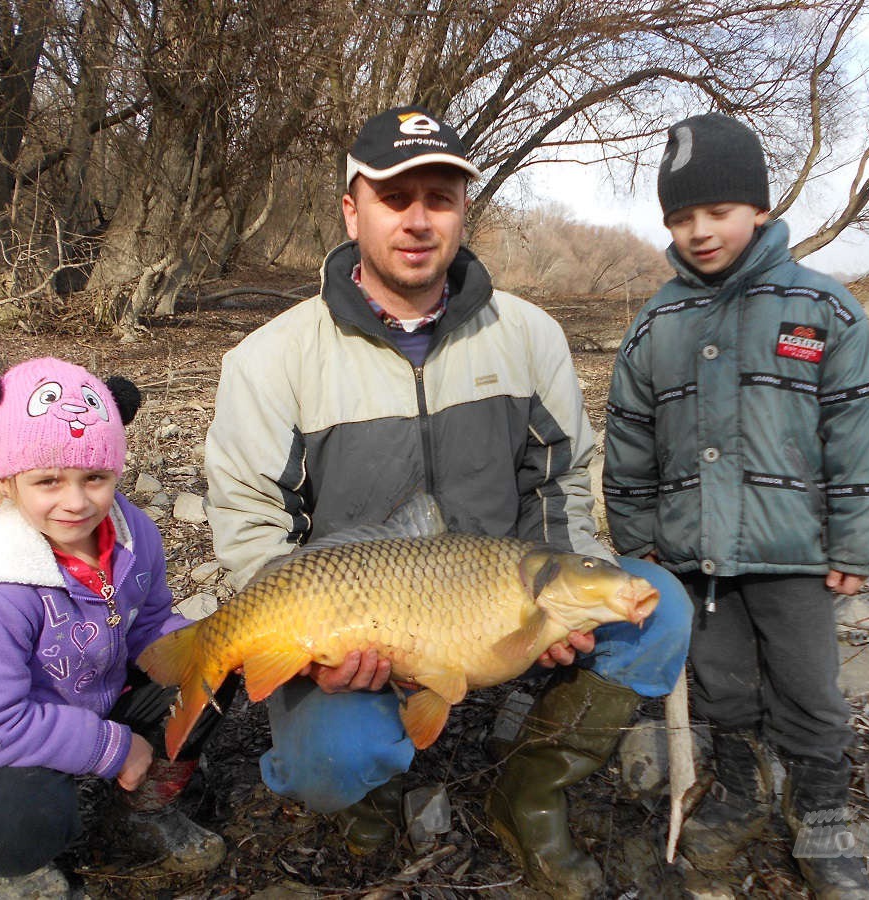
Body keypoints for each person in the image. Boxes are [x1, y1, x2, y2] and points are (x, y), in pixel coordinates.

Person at [203, 105, 692, 899]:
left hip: (496, 599)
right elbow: (255, 526)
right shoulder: (269, 360)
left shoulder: (530, 335)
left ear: (466, 209)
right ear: (351, 209)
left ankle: (526, 796)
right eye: (396, 199)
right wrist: (318, 649)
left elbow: (562, 481)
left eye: (441, 197)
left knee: (659, 610)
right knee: (330, 762)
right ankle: (370, 787)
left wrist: (569, 598)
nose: (419, 220)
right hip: (358, 624)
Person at [603, 113, 869, 898]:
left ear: (760, 210)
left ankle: (825, 819)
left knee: (809, 691)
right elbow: (630, 446)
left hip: (796, 554)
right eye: (680, 217)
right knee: (725, 686)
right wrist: (639, 542)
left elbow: (862, 428)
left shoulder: (822, 310)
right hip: (696, 557)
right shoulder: (655, 324)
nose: (699, 232)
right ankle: (740, 788)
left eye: (718, 212)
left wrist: (861, 541)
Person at [0, 358, 235, 898]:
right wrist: (114, 748)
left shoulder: (131, 534)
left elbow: (150, 622)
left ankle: (142, 810)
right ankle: (9, 864)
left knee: (212, 664)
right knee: (27, 816)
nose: (76, 502)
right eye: (48, 481)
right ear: (7, 483)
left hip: (99, 692)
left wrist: (207, 643)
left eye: (96, 478)